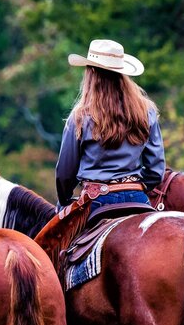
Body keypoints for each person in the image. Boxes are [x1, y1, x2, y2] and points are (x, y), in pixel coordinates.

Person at [55, 39, 165, 213]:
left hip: (96, 201)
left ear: (91, 72)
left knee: (58, 240)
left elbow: (65, 173)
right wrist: (134, 186)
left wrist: (64, 199)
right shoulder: (146, 111)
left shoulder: (80, 116)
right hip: (137, 198)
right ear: (122, 74)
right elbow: (156, 171)